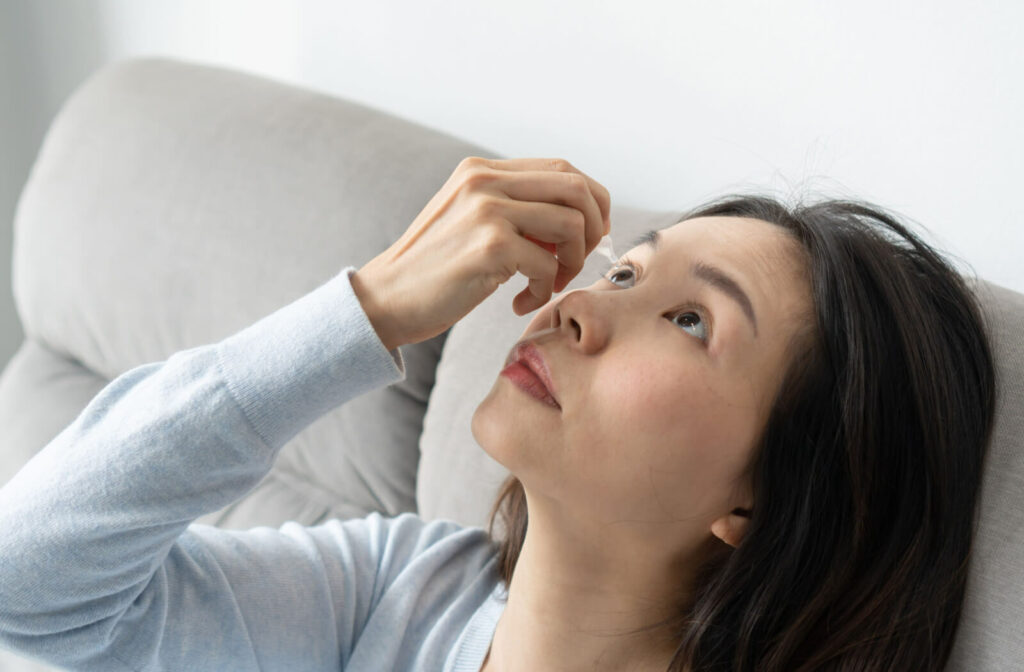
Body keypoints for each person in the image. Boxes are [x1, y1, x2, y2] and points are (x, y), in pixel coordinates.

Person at [0, 157, 995, 672]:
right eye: (622, 270)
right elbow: (28, 584)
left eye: (689, 321)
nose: (584, 307)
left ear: (763, 501)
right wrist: (371, 306)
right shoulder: (401, 592)